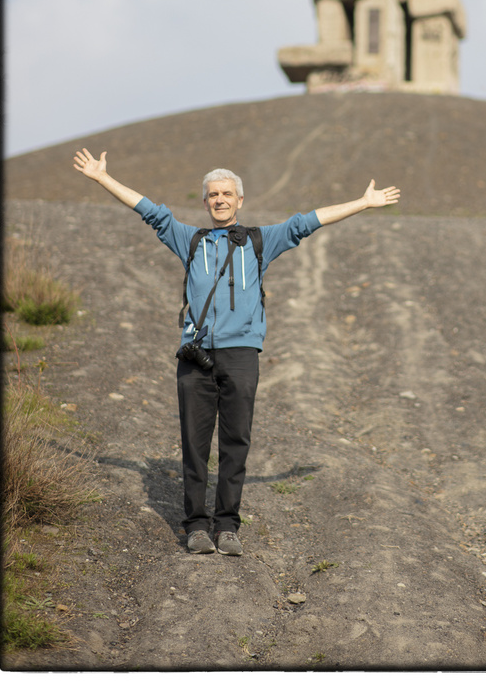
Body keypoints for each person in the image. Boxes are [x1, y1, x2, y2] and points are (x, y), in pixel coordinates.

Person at [73, 148, 400, 556]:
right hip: (196, 356)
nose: (220, 199)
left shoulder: (261, 241)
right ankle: (195, 527)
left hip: (242, 355)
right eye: (213, 194)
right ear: (205, 201)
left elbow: (307, 222)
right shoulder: (189, 239)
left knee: (235, 443)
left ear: (239, 200)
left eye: (227, 193)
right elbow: (150, 211)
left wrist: (364, 203)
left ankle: (227, 526)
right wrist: (102, 178)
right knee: (194, 445)